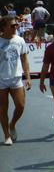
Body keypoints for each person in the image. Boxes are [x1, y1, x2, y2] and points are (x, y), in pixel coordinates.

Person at [0, 16, 31, 146]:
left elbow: (24, 59)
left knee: (21, 105)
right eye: (12, 26)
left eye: (16, 25)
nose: (15, 27)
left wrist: (28, 77)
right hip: (1, 79)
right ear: (3, 27)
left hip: (16, 78)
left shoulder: (20, 40)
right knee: (3, 109)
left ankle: (12, 124)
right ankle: (7, 135)